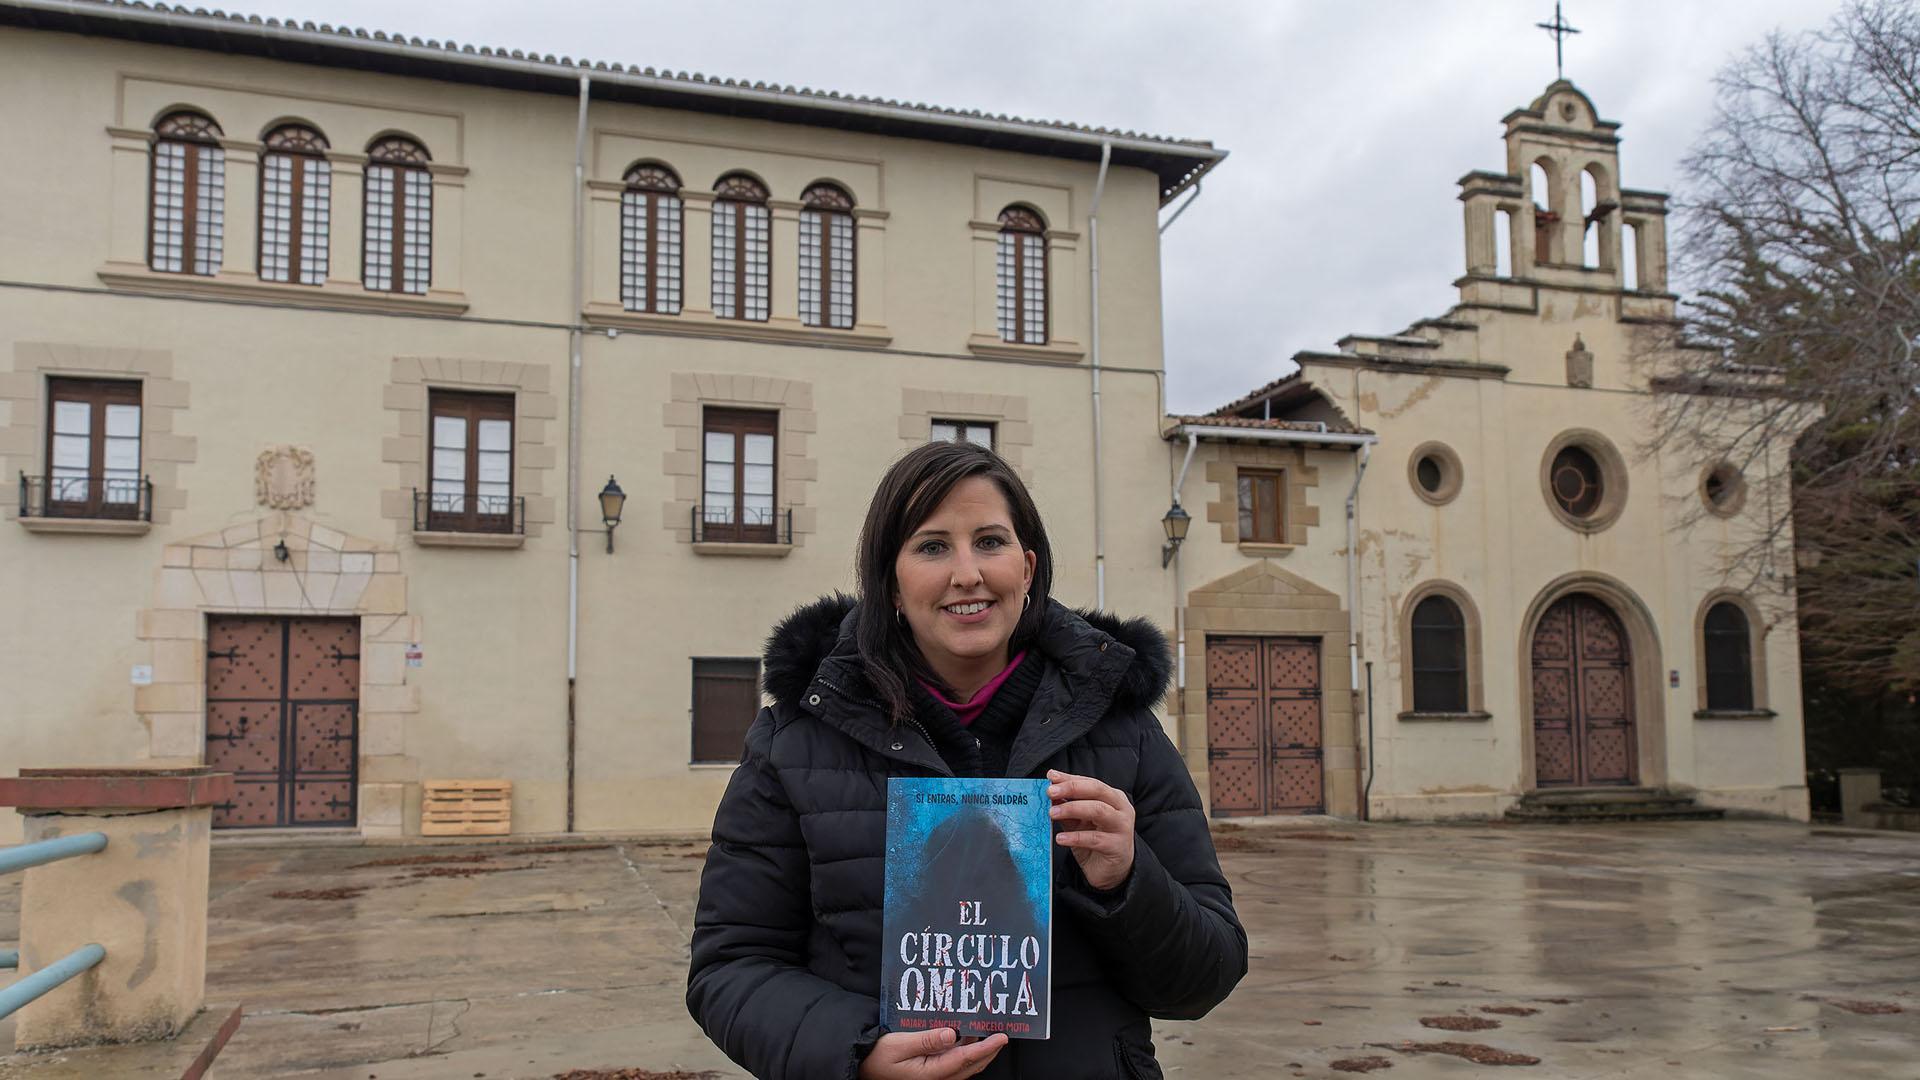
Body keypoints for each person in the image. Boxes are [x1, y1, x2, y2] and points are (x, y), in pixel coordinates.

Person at [687, 440, 1246, 1079]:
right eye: (932, 547)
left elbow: (1204, 977)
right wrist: (856, 1054)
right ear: (891, 584)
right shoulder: (797, 739)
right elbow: (730, 968)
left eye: (990, 542)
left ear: (1027, 568)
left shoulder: (1123, 731)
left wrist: (1128, 880)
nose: (967, 573)